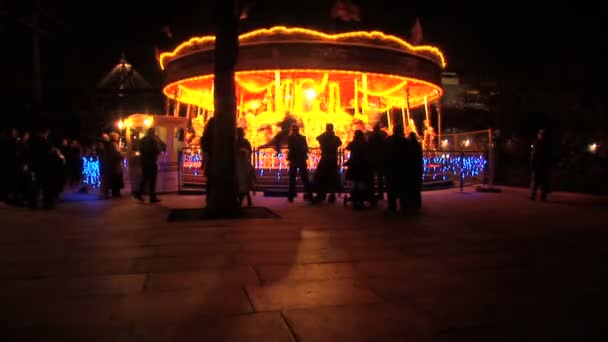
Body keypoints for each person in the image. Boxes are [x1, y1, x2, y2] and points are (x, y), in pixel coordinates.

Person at [384, 124, 410, 213]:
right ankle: (404, 205)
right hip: (401, 166)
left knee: (391, 187)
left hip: (390, 166)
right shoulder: (405, 141)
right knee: (402, 186)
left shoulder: (387, 140)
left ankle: (392, 205)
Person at [314, 123, 342, 203]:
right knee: (332, 177)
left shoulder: (324, 137)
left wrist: (325, 133)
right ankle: (331, 194)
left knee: (322, 177)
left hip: (325, 159)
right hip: (332, 160)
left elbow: (318, 138)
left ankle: (321, 194)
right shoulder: (335, 138)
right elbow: (340, 143)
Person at [345, 130, 373, 209]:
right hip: (362, 166)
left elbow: (348, 147)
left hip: (354, 166)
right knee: (361, 183)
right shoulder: (365, 144)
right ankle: (360, 200)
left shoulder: (353, 143)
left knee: (355, 182)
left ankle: (354, 198)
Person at [134, 127, 162, 203]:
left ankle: (139, 193)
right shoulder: (153, 140)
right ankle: (152, 197)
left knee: (145, 178)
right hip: (152, 162)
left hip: (144, 162)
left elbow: (140, 149)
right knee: (152, 180)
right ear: (152, 133)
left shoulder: (143, 139)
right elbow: (157, 150)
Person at [287, 125, 313, 202]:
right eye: (293, 129)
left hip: (299, 159)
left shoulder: (301, 138)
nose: (294, 131)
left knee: (303, 178)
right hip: (296, 159)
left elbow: (305, 147)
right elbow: (290, 147)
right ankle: (291, 196)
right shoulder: (291, 138)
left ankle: (308, 194)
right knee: (293, 178)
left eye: (295, 129)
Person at [530, 128, 553, 201]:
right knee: (538, 181)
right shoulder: (540, 143)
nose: (540, 135)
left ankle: (539, 196)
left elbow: (534, 155)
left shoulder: (542, 143)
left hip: (541, 165)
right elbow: (534, 155)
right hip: (540, 165)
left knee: (541, 181)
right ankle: (536, 195)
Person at [235, 127, 255, 207]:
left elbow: (249, 151)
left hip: (242, 164)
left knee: (243, 182)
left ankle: (242, 199)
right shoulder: (239, 142)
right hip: (241, 164)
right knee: (243, 182)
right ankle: (245, 198)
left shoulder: (238, 142)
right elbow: (249, 151)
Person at [367, 123, 388, 200]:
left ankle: (372, 193)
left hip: (373, 158)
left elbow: (368, 146)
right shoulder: (383, 136)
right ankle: (380, 193)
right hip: (380, 158)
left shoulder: (371, 136)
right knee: (380, 177)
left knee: (371, 177)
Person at [407, 131, 424, 210]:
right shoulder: (418, 145)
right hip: (418, 166)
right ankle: (417, 203)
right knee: (417, 187)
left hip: (412, 168)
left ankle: (412, 203)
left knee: (412, 186)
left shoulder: (409, 145)